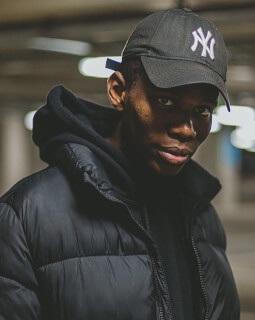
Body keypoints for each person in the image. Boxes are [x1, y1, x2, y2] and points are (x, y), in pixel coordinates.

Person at [0, 8, 240, 320]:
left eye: (203, 110)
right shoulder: (26, 217)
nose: (186, 128)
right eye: (165, 101)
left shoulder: (203, 218)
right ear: (119, 91)